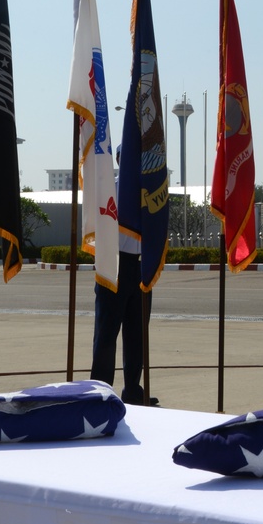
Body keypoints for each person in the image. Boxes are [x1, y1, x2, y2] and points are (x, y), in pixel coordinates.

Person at [90, 145, 157, 406]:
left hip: (142, 267)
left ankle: (132, 390)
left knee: (137, 334)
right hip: (114, 265)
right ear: (119, 160)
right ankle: (100, 393)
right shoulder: (112, 189)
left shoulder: (149, 191)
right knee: (107, 333)